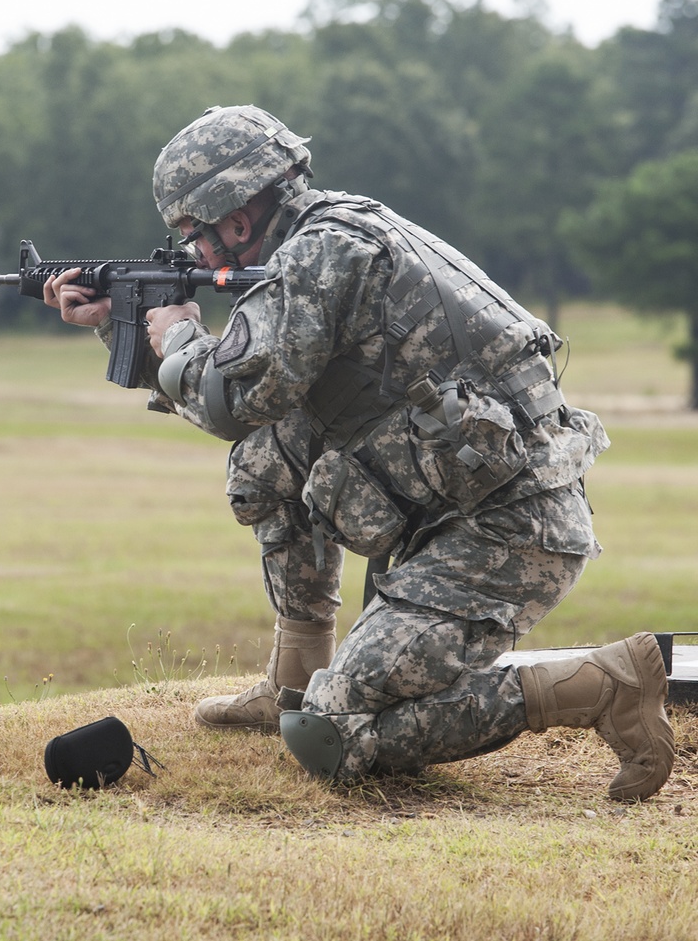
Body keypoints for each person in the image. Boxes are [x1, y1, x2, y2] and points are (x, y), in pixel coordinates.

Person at [44, 104, 674, 801]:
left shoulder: (319, 255)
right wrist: (122, 328)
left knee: (331, 734)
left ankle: (601, 685)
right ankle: (294, 675)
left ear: (238, 220)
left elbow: (235, 397)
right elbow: (258, 407)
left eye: (192, 234)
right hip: (468, 502)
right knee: (266, 461)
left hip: (509, 533)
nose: (193, 253)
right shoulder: (335, 229)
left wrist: (180, 337)